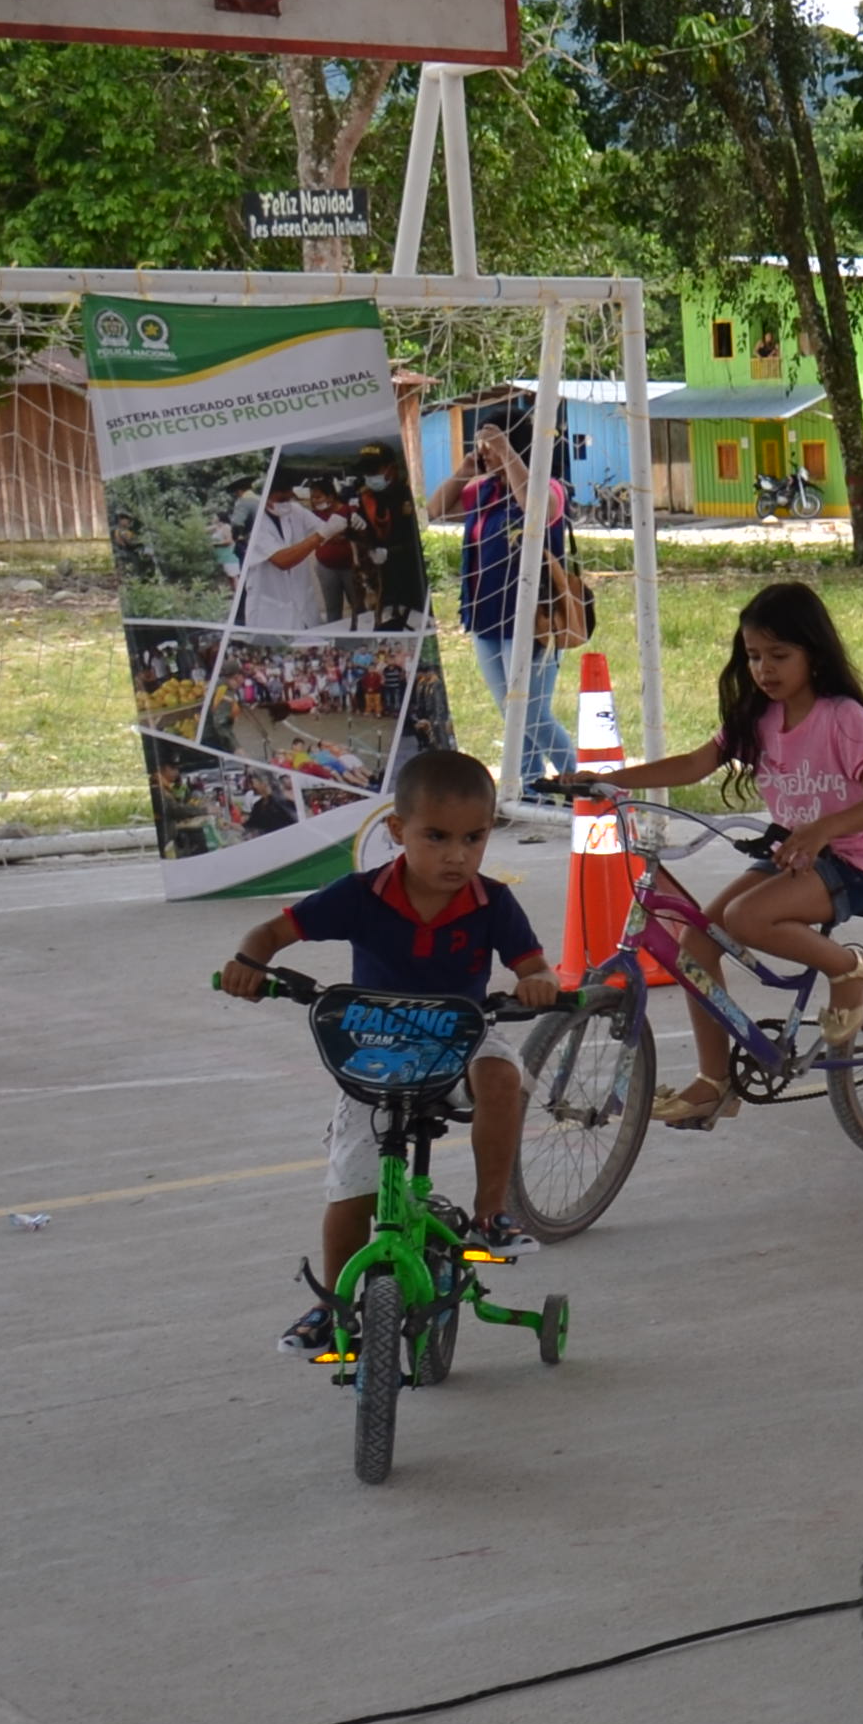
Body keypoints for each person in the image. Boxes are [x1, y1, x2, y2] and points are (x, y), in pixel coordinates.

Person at [217, 747, 557, 1358]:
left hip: (462, 1031)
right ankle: (332, 1305)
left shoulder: (492, 902)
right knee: (350, 1194)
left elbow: (533, 964)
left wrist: (538, 982)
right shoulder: (360, 895)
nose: (457, 855)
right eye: (436, 837)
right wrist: (248, 964)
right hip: (376, 1048)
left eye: (473, 838)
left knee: (503, 1078)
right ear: (398, 832)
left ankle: (490, 1213)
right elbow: (271, 933)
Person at [626, 581, 863, 1126]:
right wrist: (605, 780)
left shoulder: (841, 716)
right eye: (754, 656)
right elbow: (691, 764)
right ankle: (715, 1084)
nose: (764, 669)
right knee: (696, 942)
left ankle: (851, 971)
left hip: (853, 862)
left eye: (779, 656)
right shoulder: (756, 719)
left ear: (814, 654)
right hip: (797, 857)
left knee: (745, 916)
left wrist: (823, 830)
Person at [433, 405, 577, 785]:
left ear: (513, 444)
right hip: (485, 615)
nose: (485, 453)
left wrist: (506, 451)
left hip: (532, 618)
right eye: (482, 445)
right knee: (508, 709)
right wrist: (463, 471)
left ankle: (580, 777)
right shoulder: (484, 490)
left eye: (491, 444)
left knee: (529, 711)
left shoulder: (548, 486)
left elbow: (536, 510)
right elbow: (434, 510)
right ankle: (530, 785)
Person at [235, 471, 346, 633]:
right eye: (281, 500)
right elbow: (283, 560)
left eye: (289, 498)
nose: (287, 503)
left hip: (303, 605)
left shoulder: (295, 510)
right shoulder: (255, 523)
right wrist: (322, 535)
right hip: (271, 609)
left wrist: (346, 521)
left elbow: (330, 532)